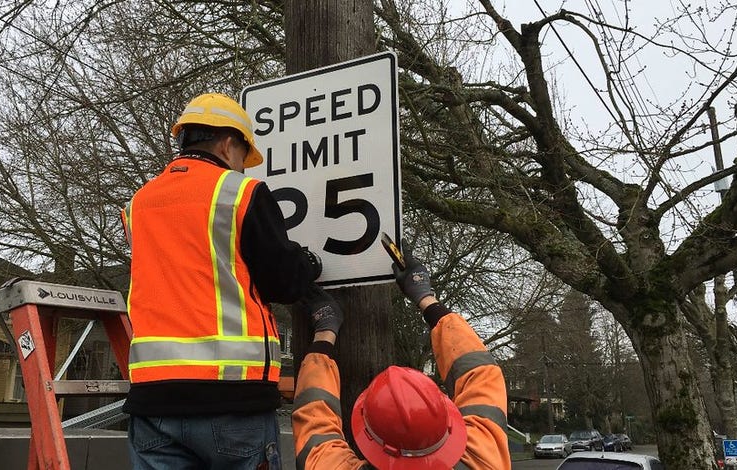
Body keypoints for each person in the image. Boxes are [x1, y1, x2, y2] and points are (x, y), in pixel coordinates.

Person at [121, 92, 321, 469]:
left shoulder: (137, 204)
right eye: (244, 159)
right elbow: (285, 283)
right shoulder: (240, 193)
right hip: (233, 405)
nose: (243, 168)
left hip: (152, 404)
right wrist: (307, 263)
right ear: (229, 145)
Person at [291, 245, 511, 469]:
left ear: (365, 433)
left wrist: (325, 332)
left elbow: (314, 421)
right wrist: (426, 298)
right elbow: (480, 373)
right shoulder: (482, 461)